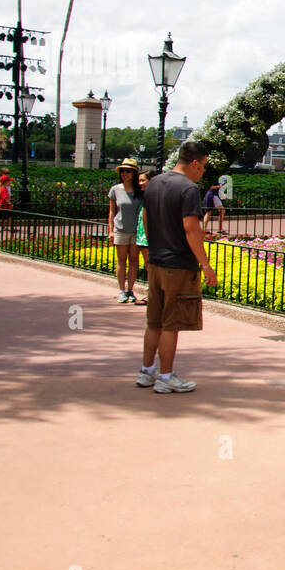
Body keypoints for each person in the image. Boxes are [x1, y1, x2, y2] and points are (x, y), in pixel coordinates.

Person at [137, 141, 217, 394]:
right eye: (203, 166)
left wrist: (154, 247)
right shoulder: (188, 189)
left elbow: (146, 219)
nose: (203, 171)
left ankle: (147, 371)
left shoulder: (154, 183)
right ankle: (166, 376)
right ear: (194, 163)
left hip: (156, 261)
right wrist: (205, 265)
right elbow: (191, 228)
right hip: (179, 264)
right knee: (172, 323)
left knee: (154, 321)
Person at [108, 158, 144, 303]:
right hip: (121, 229)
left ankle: (131, 289)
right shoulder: (115, 189)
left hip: (136, 231)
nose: (124, 173)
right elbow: (111, 211)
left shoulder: (140, 191)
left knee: (134, 261)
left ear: (134, 173)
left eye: (128, 171)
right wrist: (111, 230)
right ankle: (122, 290)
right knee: (121, 260)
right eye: (122, 171)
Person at [133, 167, 159, 302]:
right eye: (139, 181)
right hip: (143, 234)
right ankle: (152, 293)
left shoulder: (154, 195)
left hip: (149, 235)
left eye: (143, 180)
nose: (140, 183)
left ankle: (153, 294)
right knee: (149, 265)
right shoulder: (146, 195)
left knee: (152, 266)